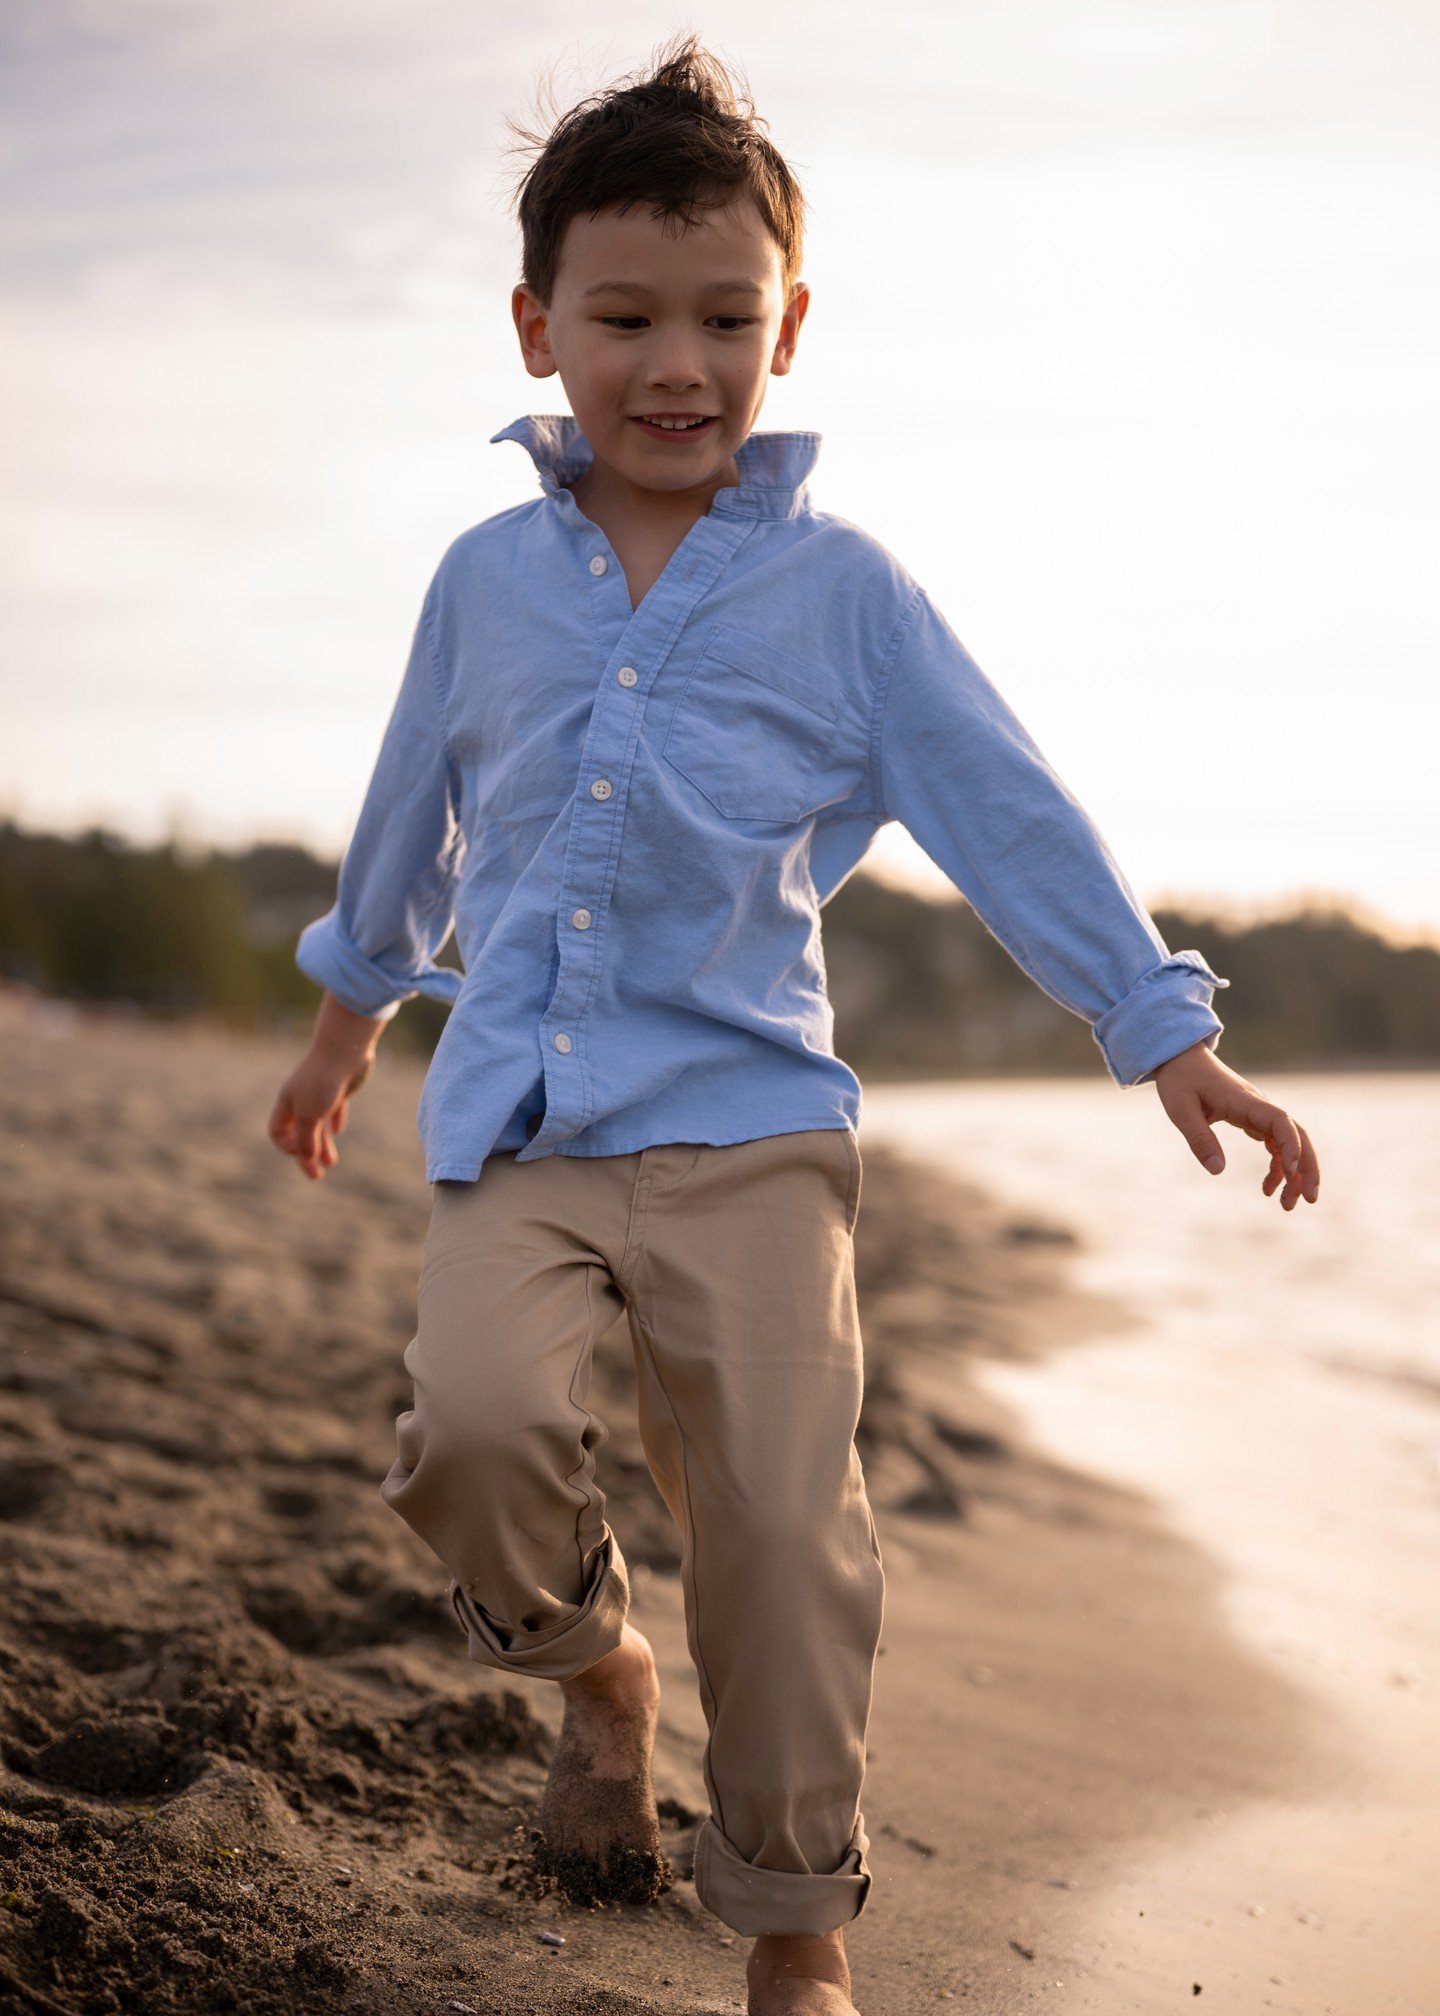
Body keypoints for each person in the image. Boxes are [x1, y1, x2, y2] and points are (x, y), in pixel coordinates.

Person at [267, 32, 1320, 2016]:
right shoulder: (484, 583)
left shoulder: (846, 596)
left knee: (779, 1534)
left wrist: (1163, 1032)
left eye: (727, 316)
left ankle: (794, 1930)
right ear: (536, 326)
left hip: (753, 1133)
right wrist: (343, 1031)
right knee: (469, 1437)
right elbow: (408, 813)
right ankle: (600, 1675)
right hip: (520, 1123)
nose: (680, 361)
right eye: (628, 316)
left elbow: (1006, 808)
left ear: (793, 325)